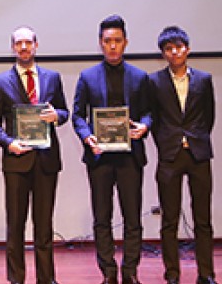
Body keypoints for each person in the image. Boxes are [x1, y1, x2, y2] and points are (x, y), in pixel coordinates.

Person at [0, 27, 69, 284]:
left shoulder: (52, 78)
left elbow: (65, 112)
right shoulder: (0, 81)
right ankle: (16, 279)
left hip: (46, 161)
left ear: (36, 45)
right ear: (13, 48)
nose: (23, 47)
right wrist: (8, 143)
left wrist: (57, 117)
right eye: (18, 43)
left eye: (28, 42)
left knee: (44, 226)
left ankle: (47, 279)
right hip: (16, 161)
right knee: (16, 226)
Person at [72, 15, 151, 284]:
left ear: (125, 42)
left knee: (132, 217)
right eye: (107, 41)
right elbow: (77, 115)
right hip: (100, 157)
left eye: (117, 41)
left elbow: (150, 112)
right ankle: (108, 272)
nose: (113, 46)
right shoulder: (87, 76)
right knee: (101, 217)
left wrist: (145, 126)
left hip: (131, 156)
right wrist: (86, 136)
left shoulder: (140, 77)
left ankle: (130, 271)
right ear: (100, 43)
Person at [148, 26, 217, 284]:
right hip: (170, 155)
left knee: (203, 219)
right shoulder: (153, 82)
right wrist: (169, 141)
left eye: (179, 47)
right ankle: (172, 275)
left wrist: (195, 138)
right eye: (169, 49)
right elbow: (153, 118)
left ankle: (206, 274)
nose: (174, 52)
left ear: (187, 48)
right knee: (169, 220)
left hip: (199, 154)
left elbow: (209, 116)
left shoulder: (204, 79)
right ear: (163, 53)